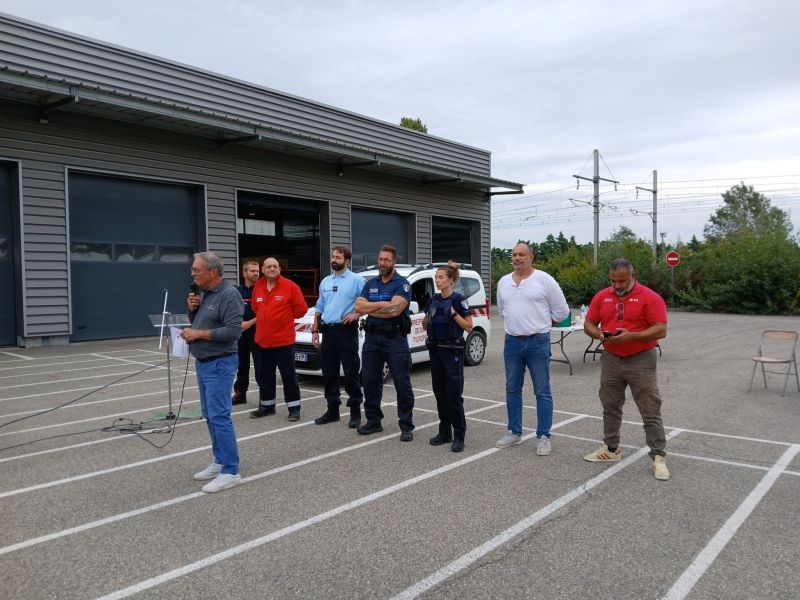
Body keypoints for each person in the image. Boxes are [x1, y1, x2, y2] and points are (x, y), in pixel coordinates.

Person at [582, 258, 670, 480]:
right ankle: (611, 449)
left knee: (649, 407)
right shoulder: (603, 296)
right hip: (611, 356)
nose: (617, 285)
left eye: (622, 280)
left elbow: (661, 329)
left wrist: (634, 336)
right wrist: (599, 334)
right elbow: (589, 323)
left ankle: (658, 456)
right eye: (613, 280)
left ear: (634, 276)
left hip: (641, 358)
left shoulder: (650, 297)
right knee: (610, 404)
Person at [495, 242, 569, 456]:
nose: (517, 258)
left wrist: (543, 325)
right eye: (514, 254)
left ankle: (543, 436)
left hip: (538, 341)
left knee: (542, 390)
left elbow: (562, 311)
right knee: (512, 389)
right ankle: (514, 431)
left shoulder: (544, 280)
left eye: (522, 254)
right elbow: (503, 310)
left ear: (531, 257)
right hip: (512, 342)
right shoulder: (503, 282)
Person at [182, 252, 244, 493]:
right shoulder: (204, 294)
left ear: (213, 272)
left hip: (220, 363)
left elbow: (233, 332)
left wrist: (198, 334)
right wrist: (192, 313)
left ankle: (231, 470)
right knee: (209, 414)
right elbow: (202, 323)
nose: (193, 273)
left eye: (197, 270)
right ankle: (219, 461)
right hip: (204, 362)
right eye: (193, 270)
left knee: (220, 416)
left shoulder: (230, 295)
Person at [355, 244, 415, 441]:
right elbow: (358, 306)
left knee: (401, 383)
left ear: (394, 262)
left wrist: (369, 308)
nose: (382, 263)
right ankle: (373, 421)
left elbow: (395, 311)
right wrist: (382, 304)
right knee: (370, 381)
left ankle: (406, 425)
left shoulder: (402, 284)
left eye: (386, 259)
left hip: (394, 338)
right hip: (372, 338)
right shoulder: (370, 282)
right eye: (380, 259)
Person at [312, 246, 366, 428]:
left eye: (338, 257)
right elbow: (319, 308)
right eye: (333, 256)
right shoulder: (325, 281)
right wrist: (314, 331)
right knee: (329, 373)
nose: (334, 259)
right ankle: (333, 410)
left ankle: (355, 413)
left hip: (346, 331)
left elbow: (367, 304)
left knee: (351, 372)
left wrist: (356, 315)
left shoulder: (357, 281)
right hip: (327, 332)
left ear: (347, 261)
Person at [422, 261, 473, 453]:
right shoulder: (432, 300)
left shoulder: (458, 300)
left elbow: (468, 326)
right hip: (435, 350)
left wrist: (453, 315)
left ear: (451, 280)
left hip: (452, 352)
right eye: (436, 277)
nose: (438, 280)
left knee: (453, 395)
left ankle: (459, 434)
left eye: (441, 277)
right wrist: (427, 318)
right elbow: (425, 325)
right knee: (440, 394)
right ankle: (445, 432)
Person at [249, 257, 308, 421]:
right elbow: (255, 307)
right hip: (262, 341)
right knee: (264, 376)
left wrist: (284, 319)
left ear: (280, 270)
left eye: (275, 266)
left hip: (284, 342)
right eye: (269, 266)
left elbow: (302, 309)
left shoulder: (290, 286)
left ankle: (294, 408)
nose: (272, 268)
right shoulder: (258, 287)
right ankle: (267, 406)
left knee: (288, 377)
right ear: (263, 269)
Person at [231, 260, 260, 406]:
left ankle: (265, 397)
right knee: (241, 365)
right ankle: (240, 394)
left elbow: (266, 312)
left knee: (261, 366)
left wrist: (250, 323)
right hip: (240, 334)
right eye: (252, 271)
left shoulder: (262, 290)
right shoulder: (236, 291)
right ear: (244, 273)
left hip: (258, 332)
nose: (256, 273)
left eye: (257, 271)